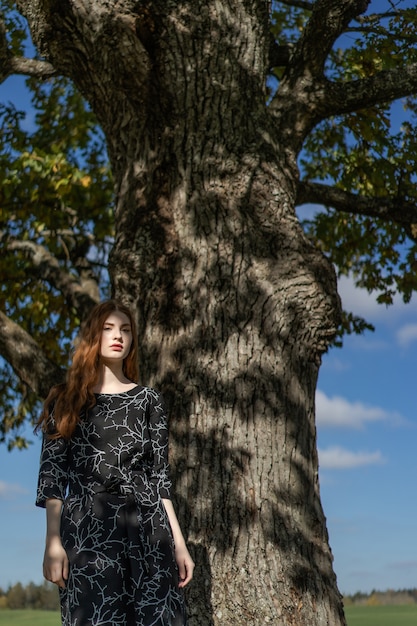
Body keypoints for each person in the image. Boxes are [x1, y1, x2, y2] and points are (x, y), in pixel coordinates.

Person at [36, 299, 194, 626]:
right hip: (86, 532)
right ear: (93, 336)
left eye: (125, 329)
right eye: (108, 328)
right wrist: (53, 541)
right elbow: (52, 478)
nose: (117, 335)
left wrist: (179, 544)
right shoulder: (65, 401)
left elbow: (159, 479)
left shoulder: (149, 400)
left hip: (149, 532)